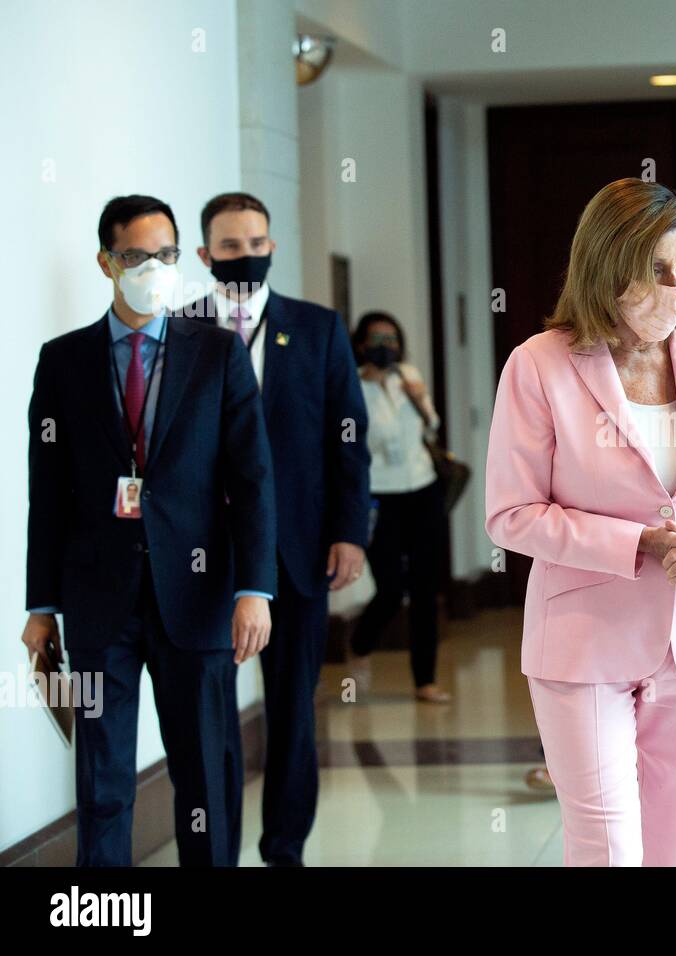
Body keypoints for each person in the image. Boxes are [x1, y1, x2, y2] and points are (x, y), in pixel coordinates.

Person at [485, 178, 676, 866]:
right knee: (606, 843)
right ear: (608, 269)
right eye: (653, 272)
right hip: (583, 644)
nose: (672, 291)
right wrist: (637, 543)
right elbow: (511, 514)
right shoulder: (540, 365)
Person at [22, 195, 276, 866]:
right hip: (98, 601)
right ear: (107, 262)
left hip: (197, 596)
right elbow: (46, 495)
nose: (155, 269)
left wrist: (255, 587)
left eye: (166, 255)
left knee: (204, 779)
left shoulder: (217, 353)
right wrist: (40, 607)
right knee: (102, 782)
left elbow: (252, 478)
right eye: (137, 256)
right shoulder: (64, 361)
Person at [186, 192, 370, 867]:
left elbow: (348, 437)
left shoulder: (317, 329)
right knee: (209, 721)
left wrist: (351, 530)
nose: (247, 256)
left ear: (272, 247)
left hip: (300, 551)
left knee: (293, 712)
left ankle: (285, 849)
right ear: (205, 255)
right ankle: (217, 852)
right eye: (231, 247)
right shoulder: (181, 331)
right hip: (203, 558)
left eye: (257, 243)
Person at [349, 311, 451, 703]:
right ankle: (359, 646)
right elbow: (360, 440)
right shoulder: (352, 384)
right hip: (378, 494)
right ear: (361, 344)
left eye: (391, 339)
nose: (385, 346)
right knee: (391, 588)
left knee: (425, 587)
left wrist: (415, 395)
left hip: (422, 488)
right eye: (376, 338)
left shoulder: (407, 374)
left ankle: (424, 679)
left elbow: (432, 426)